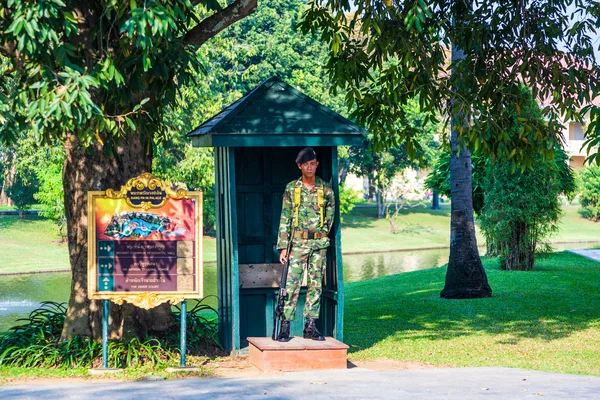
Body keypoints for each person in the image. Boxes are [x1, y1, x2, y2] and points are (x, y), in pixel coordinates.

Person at [276, 147, 335, 342]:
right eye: (306, 165)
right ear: (299, 166)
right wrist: (284, 246)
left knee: (315, 284)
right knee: (291, 284)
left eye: (313, 164)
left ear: (317, 164)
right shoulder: (292, 189)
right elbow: (284, 217)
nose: (310, 168)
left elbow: (330, 215)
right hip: (297, 243)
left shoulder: (326, 189)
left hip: (318, 244)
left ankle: (310, 325)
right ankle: (285, 325)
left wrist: (321, 235)